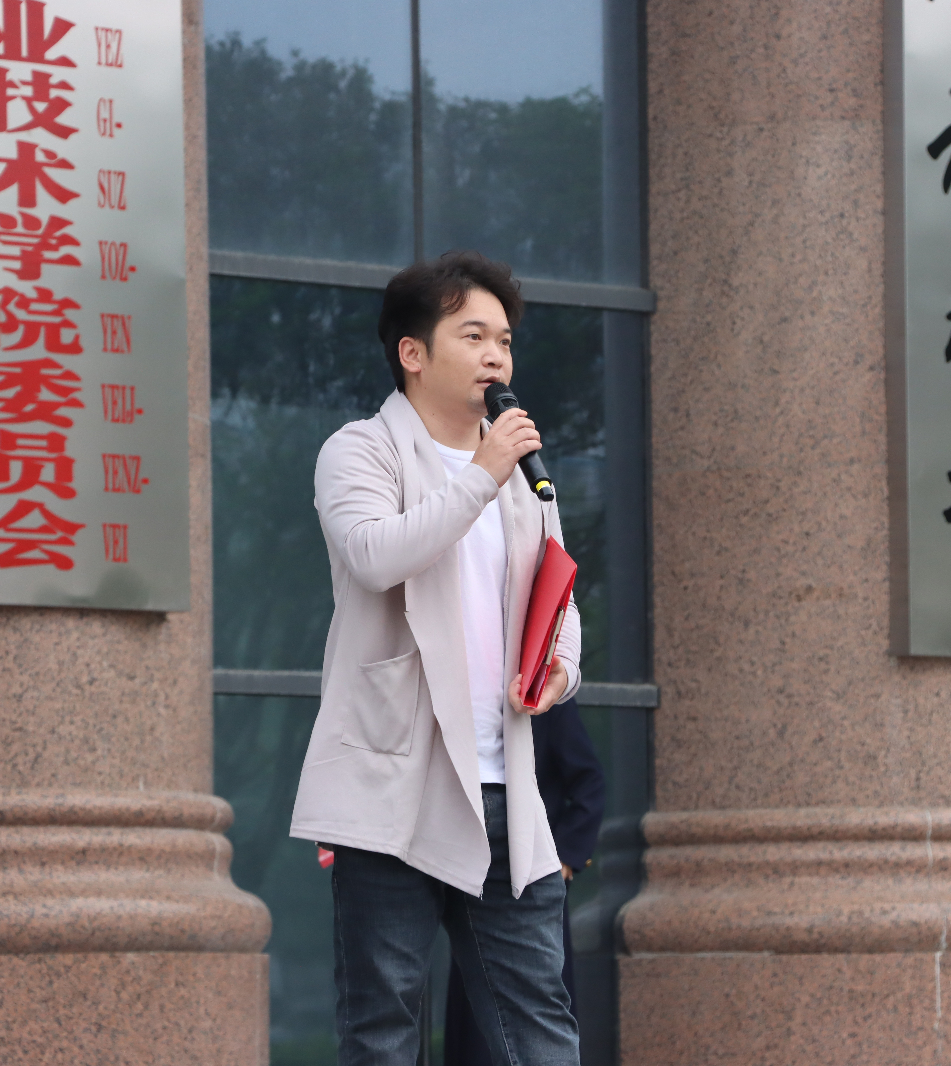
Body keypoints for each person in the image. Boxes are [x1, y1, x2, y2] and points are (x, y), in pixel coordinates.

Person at [290, 251, 583, 1066]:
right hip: (396, 788)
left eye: (505, 341)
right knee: (384, 1027)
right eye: (474, 336)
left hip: (506, 789)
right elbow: (376, 556)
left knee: (539, 1023)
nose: (497, 357)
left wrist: (560, 671)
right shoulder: (360, 451)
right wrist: (481, 476)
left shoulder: (525, 477)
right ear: (413, 352)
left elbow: (560, 600)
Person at [445, 696, 606, 1065]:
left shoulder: (545, 693)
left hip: (532, 878)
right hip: (471, 877)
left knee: (539, 1010)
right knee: (473, 1018)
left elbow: (589, 782)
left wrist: (565, 859)